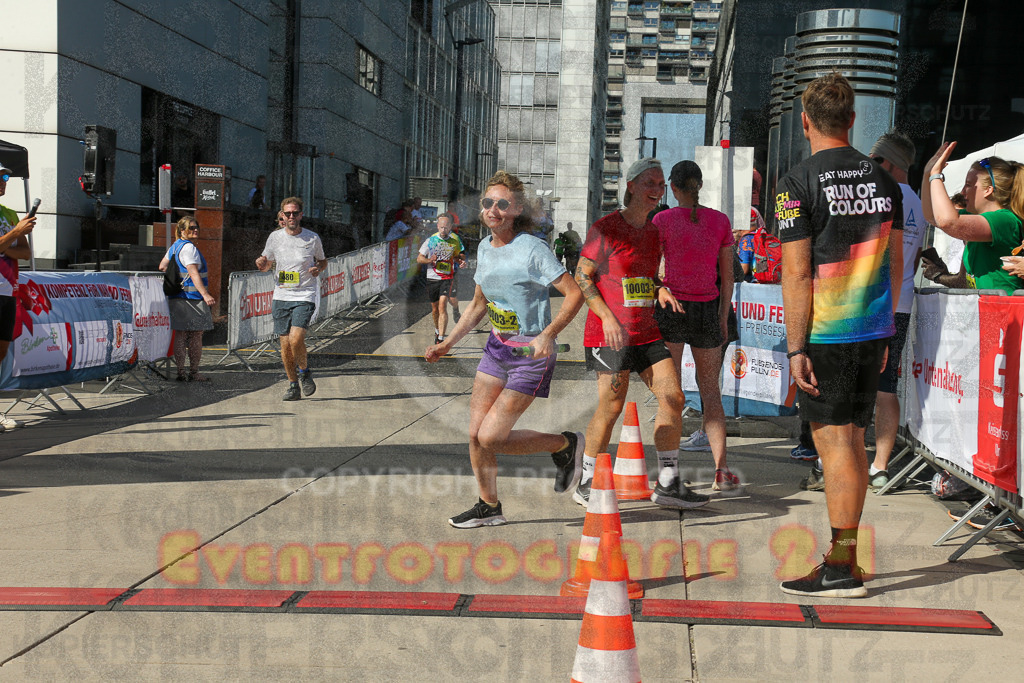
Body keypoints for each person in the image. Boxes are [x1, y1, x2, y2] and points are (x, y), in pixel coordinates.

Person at [777, 73, 903, 598]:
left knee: (835, 450)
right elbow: (895, 264)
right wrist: (886, 328)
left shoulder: (794, 184)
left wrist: (795, 346)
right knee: (852, 442)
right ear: (852, 120)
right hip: (872, 329)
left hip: (826, 334)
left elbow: (796, 272)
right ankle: (843, 558)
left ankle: (842, 565)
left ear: (805, 121)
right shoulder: (886, 183)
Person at [425, 170, 585, 528]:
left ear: (515, 210)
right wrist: (447, 343)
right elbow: (480, 304)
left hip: (531, 353)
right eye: (488, 203)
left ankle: (564, 445)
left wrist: (548, 333)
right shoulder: (484, 247)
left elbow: (574, 294)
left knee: (492, 437)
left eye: (502, 204)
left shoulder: (532, 248)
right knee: (474, 434)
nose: (493, 209)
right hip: (497, 347)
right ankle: (488, 505)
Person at [573, 158, 710, 510]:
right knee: (612, 405)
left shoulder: (653, 233)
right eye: (649, 182)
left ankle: (667, 482)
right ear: (631, 185)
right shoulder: (606, 228)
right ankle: (587, 478)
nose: (656, 189)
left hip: (645, 331)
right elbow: (582, 275)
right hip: (610, 335)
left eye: (661, 184)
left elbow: (644, 277)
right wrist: (606, 317)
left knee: (674, 397)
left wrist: (659, 288)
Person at [652, 160, 739, 492]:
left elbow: (651, 268)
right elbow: (727, 276)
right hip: (707, 308)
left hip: (672, 306)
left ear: (673, 188)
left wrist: (660, 288)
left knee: (669, 396)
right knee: (710, 393)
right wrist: (721, 313)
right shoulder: (720, 221)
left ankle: (670, 472)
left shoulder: (662, 220)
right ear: (699, 185)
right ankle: (722, 470)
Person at [867, 131, 926, 489]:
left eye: (875, 162)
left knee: (856, 384)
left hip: (869, 303)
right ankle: (881, 465)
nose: (871, 169)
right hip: (900, 305)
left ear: (889, 162)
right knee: (886, 386)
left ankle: (848, 461)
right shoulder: (917, 203)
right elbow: (914, 258)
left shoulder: (879, 194)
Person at [922, 145, 1024, 294]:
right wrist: (927, 176)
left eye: (969, 185)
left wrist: (936, 176)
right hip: (989, 310)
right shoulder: (978, 218)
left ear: (989, 190)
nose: (963, 192)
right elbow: (932, 215)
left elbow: (948, 222)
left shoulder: (1004, 219)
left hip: (1006, 312)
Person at [255, 197, 327, 401]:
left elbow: (323, 261)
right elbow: (267, 264)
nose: (291, 217)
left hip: (305, 294)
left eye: (295, 213)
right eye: (288, 214)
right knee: (285, 345)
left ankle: (304, 372)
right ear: (282, 216)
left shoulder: (312, 238)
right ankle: (293, 385)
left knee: (296, 339)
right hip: (281, 295)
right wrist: (262, 264)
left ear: (301, 214)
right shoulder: (275, 238)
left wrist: (318, 268)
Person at [0, 166, 36, 432]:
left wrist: (9, 243)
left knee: (0, 355)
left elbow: (25, 252)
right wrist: (13, 235)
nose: (4, 182)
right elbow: (14, 245)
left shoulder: (10, 214)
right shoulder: (14, 222)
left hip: (7, 291)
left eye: (5, 177)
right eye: (0, 178)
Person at [159, 216, 216, 381]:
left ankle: (180, 372)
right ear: (182, 231)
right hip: (193, 298)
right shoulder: (189, 248)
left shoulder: (175, 246)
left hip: (177, 297)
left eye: (197, 227)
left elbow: (162, 266)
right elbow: (193, 272)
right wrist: (205, 294)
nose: (195, 230)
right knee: (196, 335)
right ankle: (194, 372)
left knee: (180, 335)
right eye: (191, 228)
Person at [417, 213, 465, 345]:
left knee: (443, 305)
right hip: (432, 277)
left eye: (446, 227)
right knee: (435, 309)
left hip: (447, 277)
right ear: (438, 227)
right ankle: (437, 330)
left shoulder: (454, 240)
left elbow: (457, 256)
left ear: (450, 227)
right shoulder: (431, 241)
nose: (444, 230)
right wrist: (429, 260)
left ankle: (441, 339)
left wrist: (460, 261)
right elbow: (419, 258)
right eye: (441, 227)